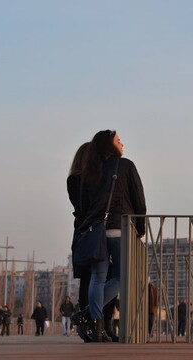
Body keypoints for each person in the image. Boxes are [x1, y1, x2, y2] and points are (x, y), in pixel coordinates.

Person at [79, 130, 147, 343]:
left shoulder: (90, 171)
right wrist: (141, 225)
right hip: (120, 228)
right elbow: (138, 196)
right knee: (122, 276)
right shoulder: (125, 165)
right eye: (118, 141)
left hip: (96, 231)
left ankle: (96, 324)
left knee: (98, 277)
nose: (122, 143)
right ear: (110, 145)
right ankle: (88, 314)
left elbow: (83, 204)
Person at [67, 142, 92, 310]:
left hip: (82, 231)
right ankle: (89, 319)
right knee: (89, 276)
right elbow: (83, 206)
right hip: (87, 230)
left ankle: (91, 319)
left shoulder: (73, 180)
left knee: (88, 277)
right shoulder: (78, 180)